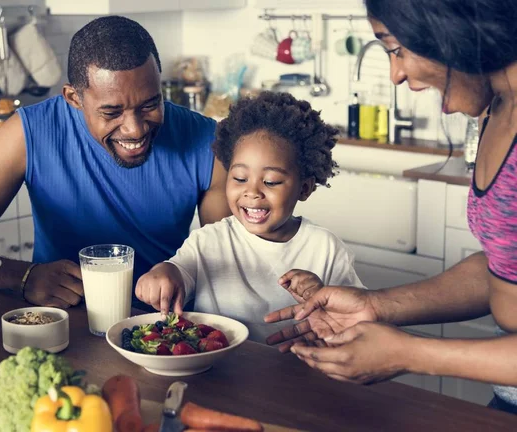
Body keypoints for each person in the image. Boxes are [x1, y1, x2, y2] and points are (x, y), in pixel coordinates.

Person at [264, 0, 517, 414]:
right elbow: (503, 267)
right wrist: (375, 306)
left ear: (448, 26)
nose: (397, 74)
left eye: (396, 48)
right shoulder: (498, 111)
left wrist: (411, 354)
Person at [0, 16, 230, 309]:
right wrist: (22, 277)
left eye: (151, 104)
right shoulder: (27, 135)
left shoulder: (208, 141)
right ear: (73, 98)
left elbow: (229, 260)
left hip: (163, 330)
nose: (135, 129)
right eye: (111, 112)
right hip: (66, 323)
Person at [135, 92, 364, 342]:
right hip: (218, 371)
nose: (252, 192)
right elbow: (179, 271)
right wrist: (163, 273)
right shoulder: (208, 240)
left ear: (304, 188)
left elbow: (358, 322)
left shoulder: (326, 249)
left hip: (296, 373)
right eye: (240, 179)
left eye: (271, 182)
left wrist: (322, 296)